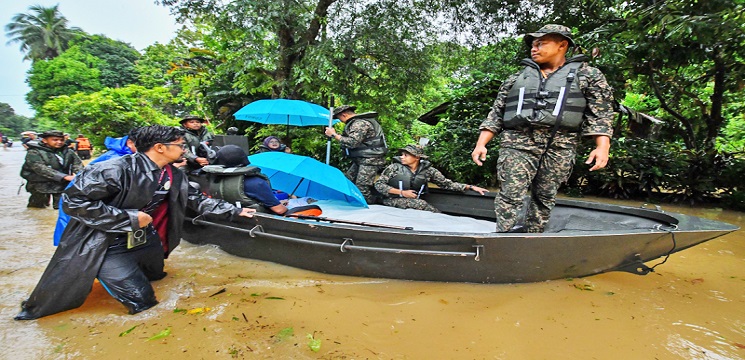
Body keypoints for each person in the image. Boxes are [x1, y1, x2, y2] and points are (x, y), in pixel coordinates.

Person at [15, 125, 255, 320]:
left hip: (144, 237)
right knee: (143, 303)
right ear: (160, 147)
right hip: (105, 243)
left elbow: (196, 200)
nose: (185, 149)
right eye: (180, 145)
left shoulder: (174, 174)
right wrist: (128, 218)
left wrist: (234, 212)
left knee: (157, 276)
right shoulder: (112, 169)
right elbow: (73, 202)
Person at [471, 24, 614, 233]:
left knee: (545, 196)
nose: (534, 48)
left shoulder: (588, 76)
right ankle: (503, 239)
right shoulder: (516, 78)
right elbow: (497, 113)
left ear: (562, 45)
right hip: (518, 141)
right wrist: (481, 143)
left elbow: (600, 114)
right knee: (510, 194)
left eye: (541, 43)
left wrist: (602, 147)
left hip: (560, 145)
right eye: (533, 44)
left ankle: (532, 238)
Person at [52, 130, 139, 245]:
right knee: (77, 239)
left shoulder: (129, 156)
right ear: (129, 143)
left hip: (81, 197)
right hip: (79, 199)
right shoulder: (116, 160)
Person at [375, 145, 487, 212]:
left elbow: (446, 184)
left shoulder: (428, 171)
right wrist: (402, 192)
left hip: (416, 201)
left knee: (424, 207)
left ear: (417, 157)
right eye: (402, 154)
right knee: (422, 205)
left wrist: (470, 187)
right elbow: (379, 184)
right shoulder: (393, 168)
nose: (402, 157)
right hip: (391, 200)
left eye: (406, 155)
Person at [324, 105, 388, 204]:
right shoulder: (356, 122)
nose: (340, 121)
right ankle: (354, 201)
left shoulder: (359, 123)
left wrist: (334, 135)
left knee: (362, 186)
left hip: (370, 160)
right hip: (361, 159)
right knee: (348, 181)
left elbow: (352, 142)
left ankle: (371, 205)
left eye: (339, 118)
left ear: (344, 115)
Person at [208, 145, 289, 215]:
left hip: (229, 217)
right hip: (260, 222)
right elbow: (279, 210)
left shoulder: (214, 179)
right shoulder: (256, 183)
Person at [20, 130, 83, 209]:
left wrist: (80, 175)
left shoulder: (68, 151)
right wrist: (65, 176)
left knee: (61, 207)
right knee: (37, 208)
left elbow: (77, 164)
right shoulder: (34, 152)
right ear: (45, 140)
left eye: (61, 140)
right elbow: (40, 168)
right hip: (39, 184)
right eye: (55, 140)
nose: (59, 142)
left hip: (61, 184)